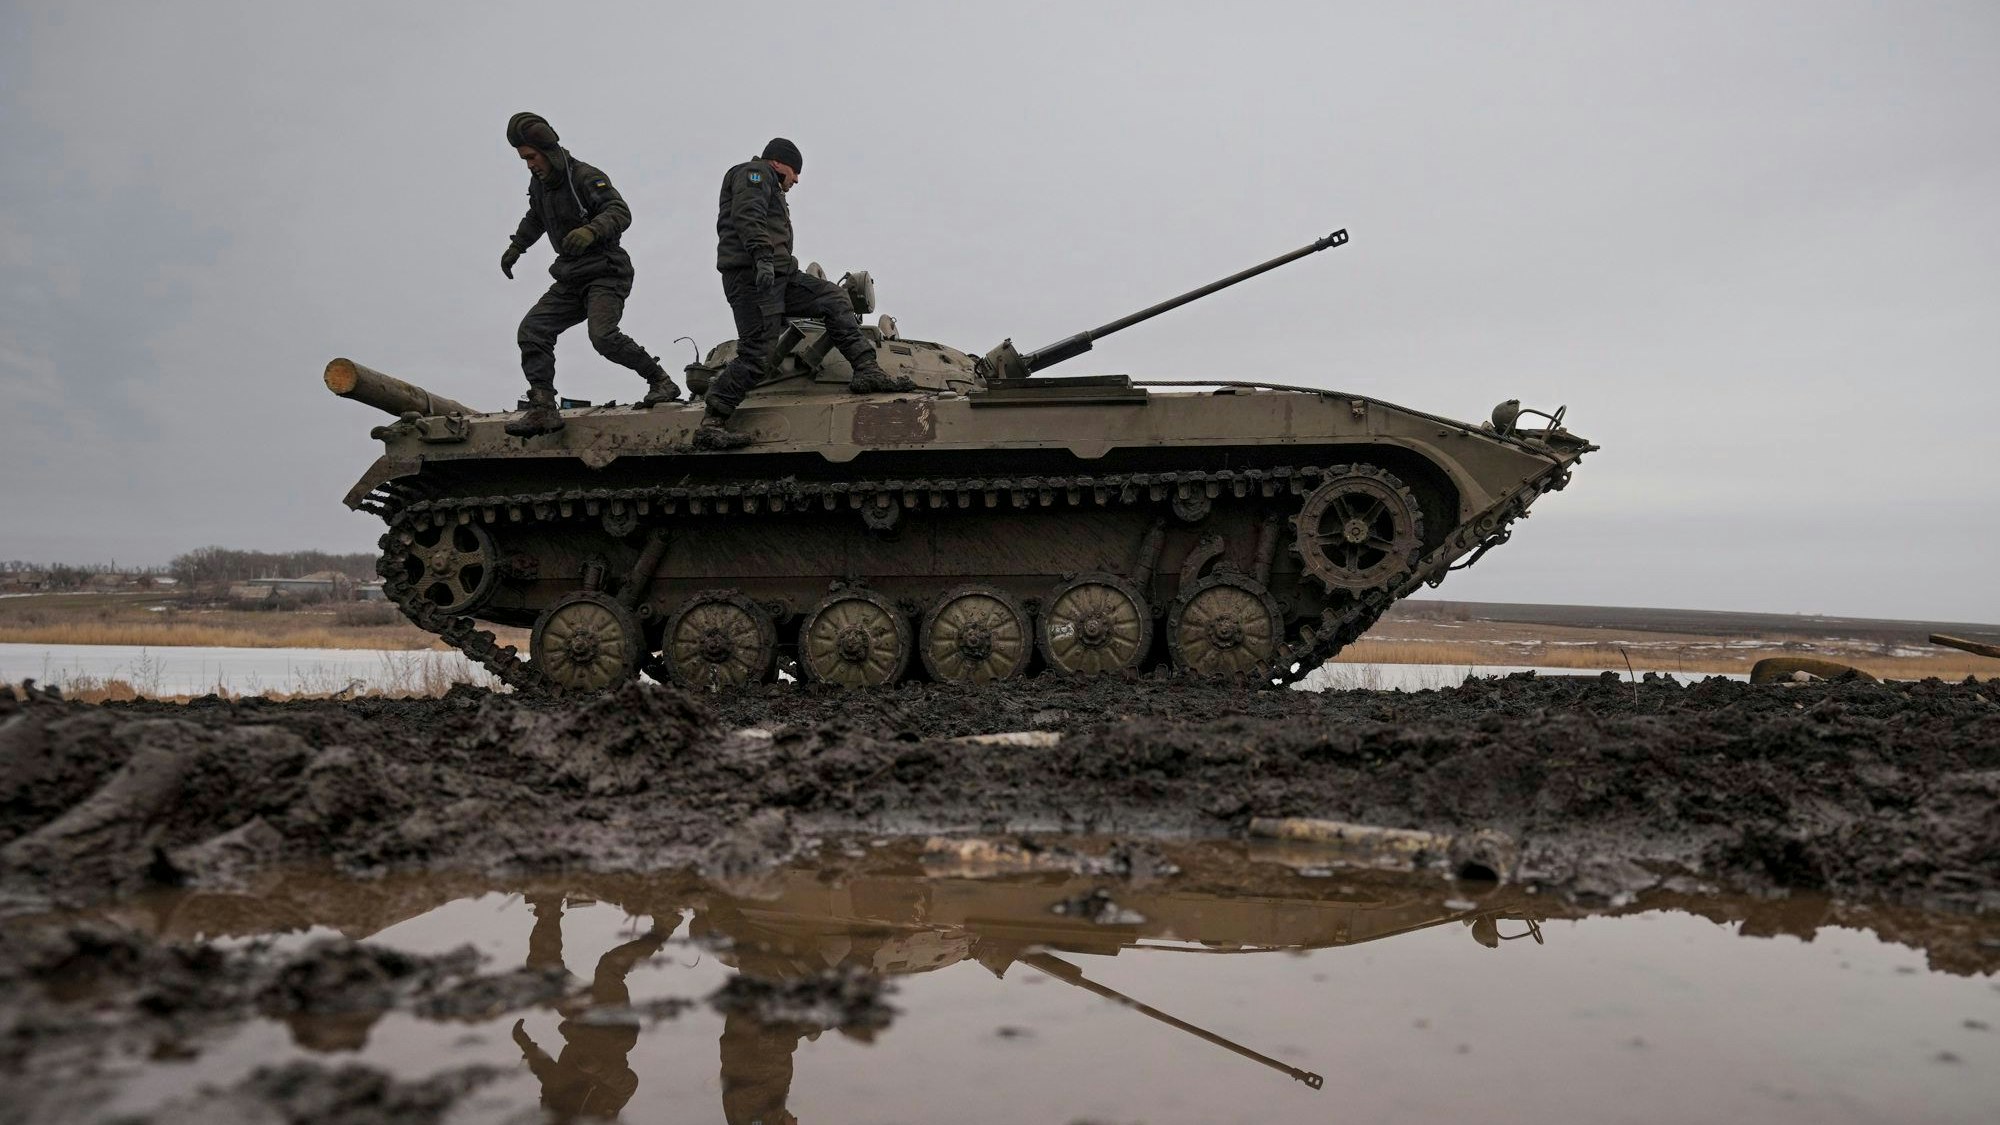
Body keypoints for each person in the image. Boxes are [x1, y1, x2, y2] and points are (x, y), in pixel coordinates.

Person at [696, 137, 914, 450]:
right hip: (754, 277)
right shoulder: (753, 173)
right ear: (777, 162)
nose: (796, 179)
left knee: (833, 298)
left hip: (782, 275)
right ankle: (713, 420)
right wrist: (762, 258)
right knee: (758, 354)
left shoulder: (769, 182)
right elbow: (749, 214)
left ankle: (867, 370)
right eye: (794, 171)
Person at [500, 111, 680, 439]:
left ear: (547, 150)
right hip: (571, 276)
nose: (529, 164)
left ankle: (661, 381)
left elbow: (619, 211)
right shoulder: (540, 185)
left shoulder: (584, 177)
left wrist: (591, 231)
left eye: (531, 156)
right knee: (533, 329)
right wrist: (516, 247)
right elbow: (535, 217)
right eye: (524, 159)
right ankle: (543, 408)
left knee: (603, 336)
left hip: (606, 271)